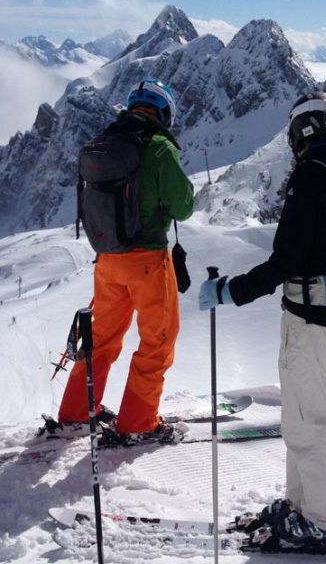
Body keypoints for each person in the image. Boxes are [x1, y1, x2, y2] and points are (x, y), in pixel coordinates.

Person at [199, 92, 326, 550]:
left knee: (307, 427)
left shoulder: (312, 176)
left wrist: (229, 291)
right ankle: (305, 508)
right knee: (304, 421)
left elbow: (285, 260)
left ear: (301, 131)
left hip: (311, 323)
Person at [55, 79, 194, 444]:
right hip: (147, 260)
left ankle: (75, 412)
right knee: (157, 341)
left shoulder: (109, 140)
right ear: (165, 113)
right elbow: (184, 205)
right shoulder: (160, 147)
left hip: (107, 260)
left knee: (100, 337)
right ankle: (138, 423)